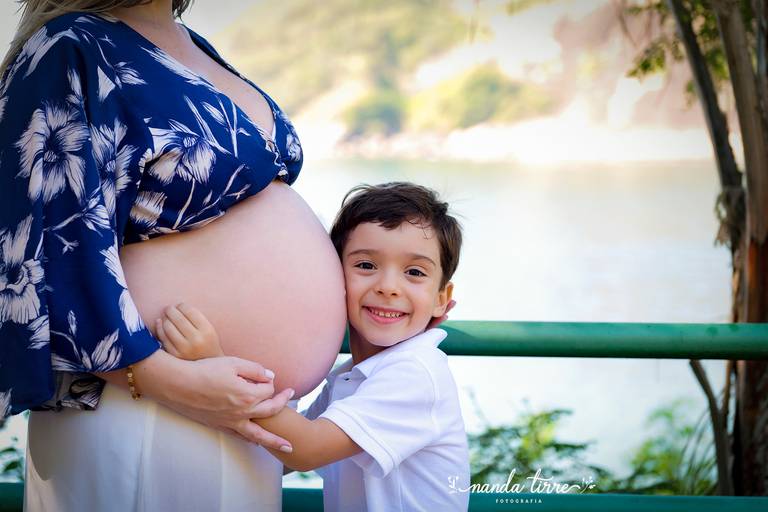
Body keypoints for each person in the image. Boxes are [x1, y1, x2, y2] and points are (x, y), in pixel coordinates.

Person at [0, 1, 348, 510]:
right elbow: (44, 246)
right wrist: (168, 380)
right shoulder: (69, 46)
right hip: (145, 406)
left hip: (235, 413)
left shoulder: (191, 44)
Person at [157, 182, 471, 511]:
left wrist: (214, 362)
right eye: (366, 265)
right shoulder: (351, 377)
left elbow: (306, 449)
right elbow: (282, 455)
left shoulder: (415, 374)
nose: (388, 287)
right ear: (332, 276)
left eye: (414, 272)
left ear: (440, 300)